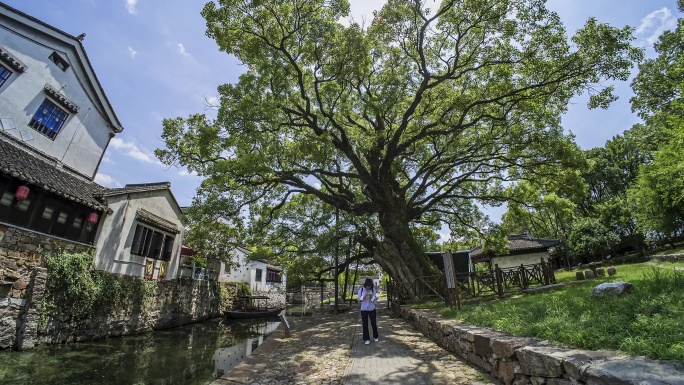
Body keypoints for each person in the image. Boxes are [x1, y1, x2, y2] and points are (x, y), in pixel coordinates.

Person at [357, 278, 379, 345]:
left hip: (372, 308)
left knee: (373, 323)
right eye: (367, 286)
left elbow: (376, 299)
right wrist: (363, 297)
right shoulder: (361, 290)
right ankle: (367, 339)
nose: (369, 287)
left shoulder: (373, 290)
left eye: (370, 286)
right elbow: (358, 299)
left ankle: (375, 336)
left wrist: (372, 297)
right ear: (365, 285)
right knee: (365, 324)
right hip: (364, 309)